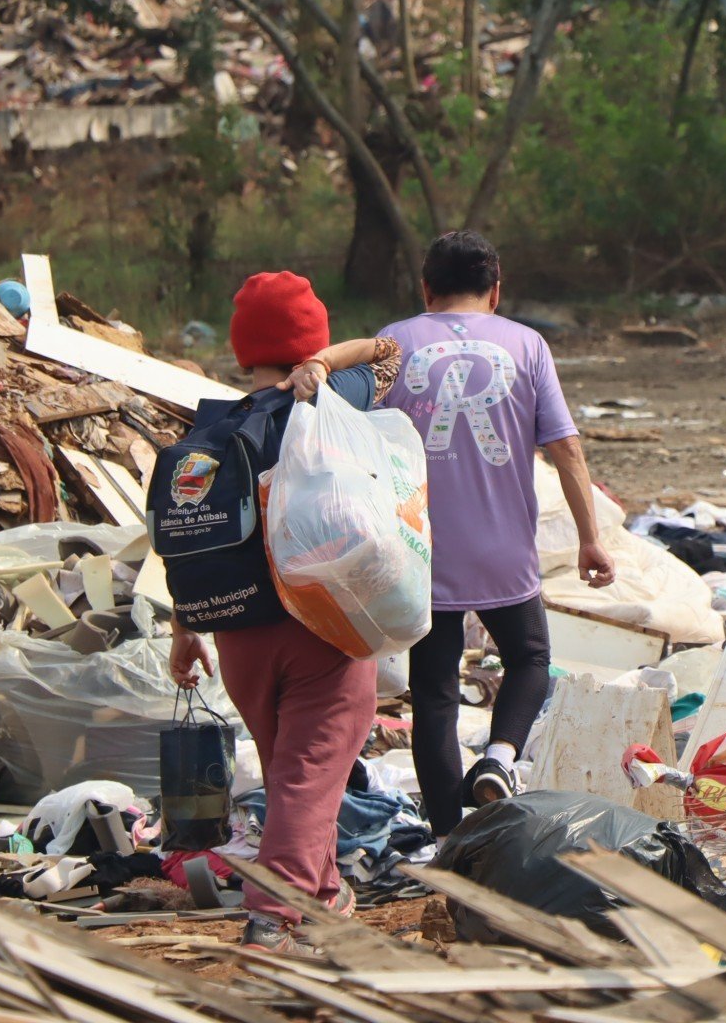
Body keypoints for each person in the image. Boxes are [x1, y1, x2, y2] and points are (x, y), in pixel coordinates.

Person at [299, 231, 612, 836]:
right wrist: (589, 538)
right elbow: (566, 448)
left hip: (419, 553)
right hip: (503, 550)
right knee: (530, 660)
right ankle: (499, 757)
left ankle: (447, 840)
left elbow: (349, 439)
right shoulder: (527, 344)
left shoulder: (394, 341)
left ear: (425, 289)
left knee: (435, 696)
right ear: (496, 291)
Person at [166, 271, 400, 953]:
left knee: (298, 777)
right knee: (307, 776)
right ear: (311, 340)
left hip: (238, 636)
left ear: (243, 349)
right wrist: (327, 363)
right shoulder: (327, 398)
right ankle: (271, 914)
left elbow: (190, 538)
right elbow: (390, 354)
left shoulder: (213, 430)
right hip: (322, 626)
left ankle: (324, 893)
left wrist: (186, 633)